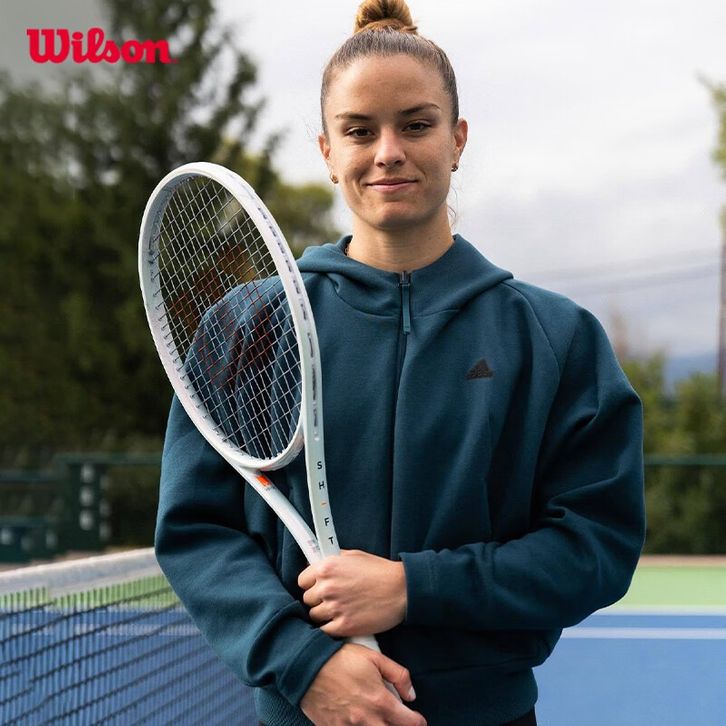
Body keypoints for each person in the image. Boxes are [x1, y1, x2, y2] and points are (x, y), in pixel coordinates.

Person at [155, 1, 646, 724]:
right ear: (327, 152)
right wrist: (304, 663)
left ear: (457, 139)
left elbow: (595, 546)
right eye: (360, 131)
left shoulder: (556, 337)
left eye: (416, 125)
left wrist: (412, 587)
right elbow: (197, 530)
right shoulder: (249, 326)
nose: (388, 151)